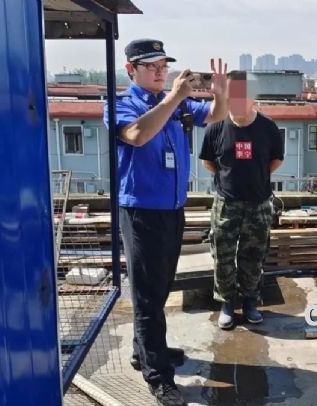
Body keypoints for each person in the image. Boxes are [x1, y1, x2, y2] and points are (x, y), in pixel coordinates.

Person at [103, 38, 228, 406]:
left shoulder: (176, 102)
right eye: (151, 66)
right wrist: (173, 97)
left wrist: (221, 92)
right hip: (142, 212)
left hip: (172, 209)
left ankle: (144, 351)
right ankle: (159, 377)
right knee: (147, 297)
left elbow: (216, 115)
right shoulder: (120, 104)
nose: (160, 72)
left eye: (163, 66)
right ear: (131, 70)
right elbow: (137, 136)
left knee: (158, 289)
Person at [198, 70, 284, 329]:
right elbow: (208, 162)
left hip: (259, 203)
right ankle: (226, 302)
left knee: (253, 255)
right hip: (226, 204)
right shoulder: (216, 126)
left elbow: (275, 160)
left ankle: (250, 301)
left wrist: (254, 177)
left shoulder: (268, 128)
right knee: (223, 255)